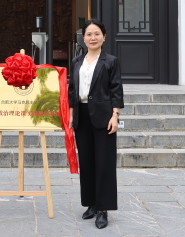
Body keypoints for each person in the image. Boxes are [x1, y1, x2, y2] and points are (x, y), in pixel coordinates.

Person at [68, 19, 124, 229]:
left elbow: (116, 89)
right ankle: (91, 204)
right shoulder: (76, 61)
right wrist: (71, 114)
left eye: (97, 34)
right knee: (87, 162)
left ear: (104, 37)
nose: (93, 38)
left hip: (104, 116)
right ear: (83, 38)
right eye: (89, 34)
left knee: (104, 163)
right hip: (82, 116)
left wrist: (115, 115)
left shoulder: (111, 61)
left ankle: (103, 209)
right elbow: (72, 90)